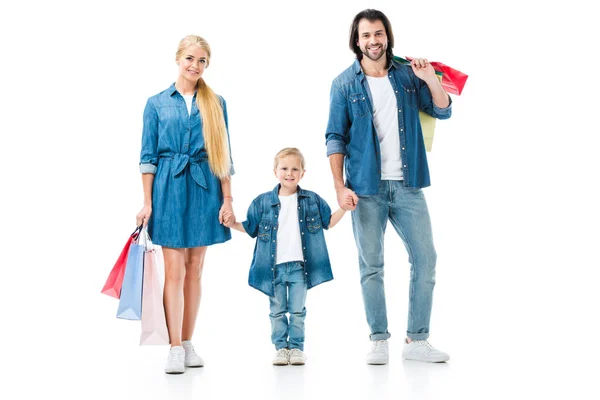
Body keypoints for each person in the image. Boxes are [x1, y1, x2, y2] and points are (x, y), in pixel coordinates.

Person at [325, 9, 452, 364]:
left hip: (408, 184)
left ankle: (417, 340)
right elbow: (335, 138)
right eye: (366, 35)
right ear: (357, 41)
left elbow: (443, 110)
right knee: (372, 265)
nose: (373, 41)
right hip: (365, 188)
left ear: (387, 36)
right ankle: (379, 339)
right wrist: (339, 187)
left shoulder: (409, 76)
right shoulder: (343, 84)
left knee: (426, 259)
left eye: (378, 34)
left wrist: (430, 78)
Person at [136, 35, 236, 374]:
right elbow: (148, 158)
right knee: (174, 271)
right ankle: (174, 346)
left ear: (207, 65)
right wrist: (147, 202)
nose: (195, 65)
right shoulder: (156, 103)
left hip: (205, 187)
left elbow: (224, 157)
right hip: (168, 189)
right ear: (178, 59)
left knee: (195, 270)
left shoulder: (216, 102)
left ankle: (188, 341)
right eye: (190, 58)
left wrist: (228, 198)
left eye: (202, 61)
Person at [225, 148, 347, 365]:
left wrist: (344, 209)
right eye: (284, 168)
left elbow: (328, 222)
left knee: (298, 310)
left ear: (303, 173)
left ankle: (297, 348)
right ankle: (281, 348)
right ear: (275, 172)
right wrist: (232, 223)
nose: (289, 173)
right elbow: (250, 227)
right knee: (277, 310)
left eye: (294, 169)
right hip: (273, 268)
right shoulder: (262, 202)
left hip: (301, 268)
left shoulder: (312, 200)